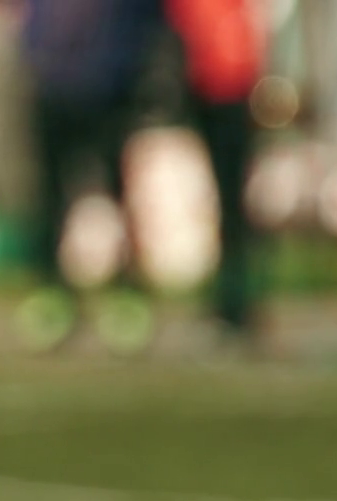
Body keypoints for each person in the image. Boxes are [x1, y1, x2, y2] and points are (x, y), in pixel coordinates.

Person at [16, 0, 165, 354]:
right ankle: (52, 296)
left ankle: (127, 294)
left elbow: (146, 20)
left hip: (109, 90)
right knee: (50, 200)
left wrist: (128, 69)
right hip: (54, 87)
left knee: (119, 196)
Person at [166, 0, 267, 339]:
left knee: (232, 201)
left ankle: (237, 300)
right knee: (225, 201)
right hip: (211, 84)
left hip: (227, 87)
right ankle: (230, 298)